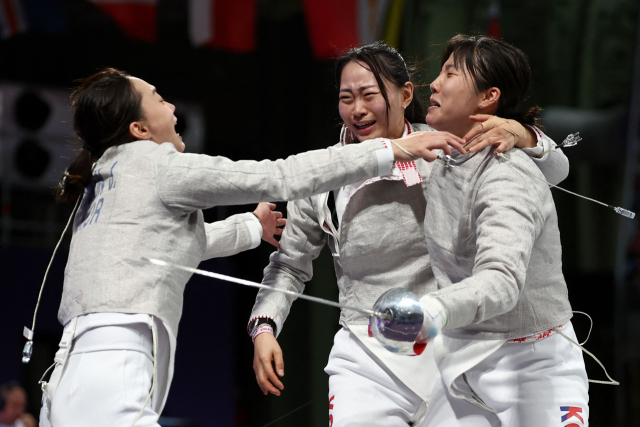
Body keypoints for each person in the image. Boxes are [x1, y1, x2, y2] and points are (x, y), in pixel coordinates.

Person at [40, 68, 462, 427]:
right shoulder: (156, 164)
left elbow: (182, 244)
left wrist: (250, 227)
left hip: (69, 371)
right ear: (139, 129)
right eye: (158, 99)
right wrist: (389, 151)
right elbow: (279, 177)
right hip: (114, 363)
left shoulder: (104, 178)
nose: (171, 108)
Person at [248, 42, 570, 426]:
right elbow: (288, 265)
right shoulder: (324, 178)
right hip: (368, 355)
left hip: (450, 346)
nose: (357, 109)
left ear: (404, 95)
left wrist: (524, 134)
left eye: (369, 95)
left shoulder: (444, 145)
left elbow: (547, 173)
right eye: (346, 98)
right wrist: (264, 327)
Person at [413, 34, 588, 426]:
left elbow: (502, 280)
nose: (434, 84)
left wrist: (434, 308)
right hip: (461, 361)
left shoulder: (506, 174)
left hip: (533, 366)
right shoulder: (439, 150)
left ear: (487, 97)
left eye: (450, 74)